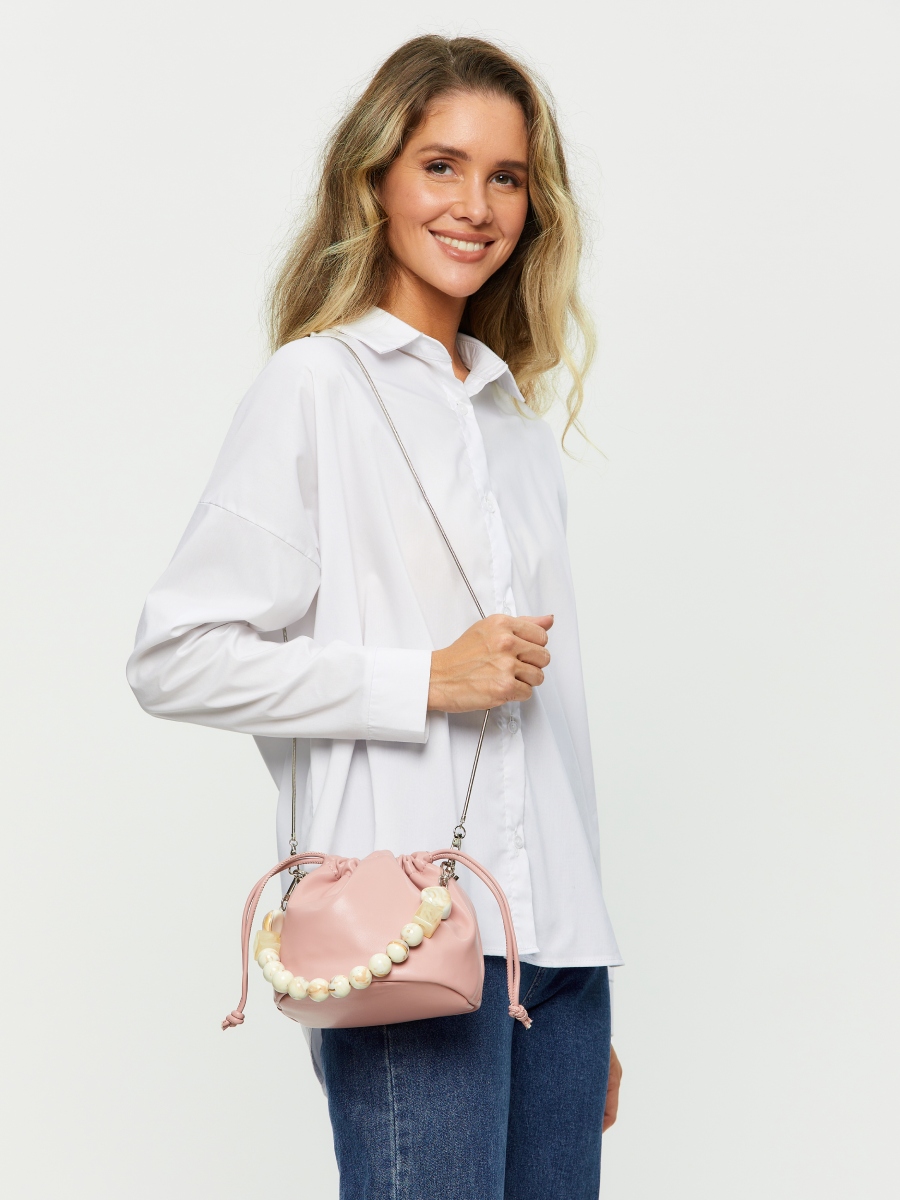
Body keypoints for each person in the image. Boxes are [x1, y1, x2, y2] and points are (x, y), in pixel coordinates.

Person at [127, 34, 623, 1200]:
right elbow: (174, 657)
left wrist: (586, 970)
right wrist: (423, 680)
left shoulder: (511, 421)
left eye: (507, 177)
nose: (476, 205)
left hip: (556, 960)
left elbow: (559, 724)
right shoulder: (316, 387)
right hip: (408, 934)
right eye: (442, 165)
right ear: (376, 181)